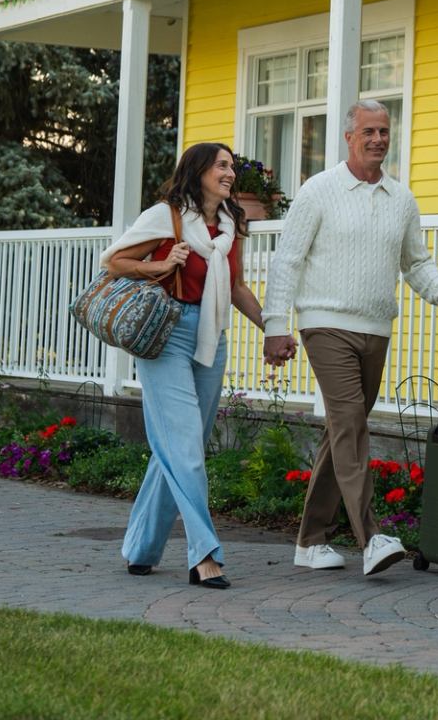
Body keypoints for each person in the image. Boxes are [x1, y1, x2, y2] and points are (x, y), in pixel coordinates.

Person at [263, 99, 438, 576]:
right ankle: (371, 537)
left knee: (342, 430)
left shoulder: (401, 198)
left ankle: (310, 541)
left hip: (375, 329)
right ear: (349, 138)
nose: (378, 139)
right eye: (368, 131)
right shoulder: (319, 190)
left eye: (384, 131)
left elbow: (415, 263)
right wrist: (276, 325)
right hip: (325, 323)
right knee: (352, 422)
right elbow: (288, 260)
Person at [101, 142, 274, 588]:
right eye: (221, 166)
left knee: (180, 449)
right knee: (186, 451)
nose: (230, 173)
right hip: (167, 334)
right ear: (197, 172)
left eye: (232, 166)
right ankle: (205, 554)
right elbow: (114, 261)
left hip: (211, 335)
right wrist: (163, 263)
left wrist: (272, 329)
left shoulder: (230, 225)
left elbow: (236, 286)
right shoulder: (167, 215)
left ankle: (141, 549)